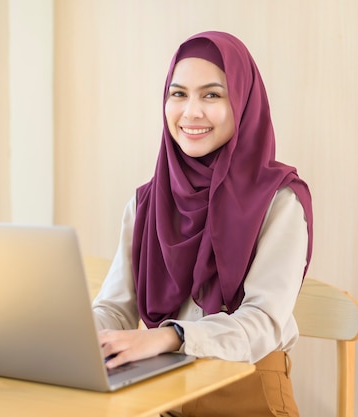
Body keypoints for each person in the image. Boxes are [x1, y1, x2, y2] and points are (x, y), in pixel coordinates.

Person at [92, 31, 313, 417]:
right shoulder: (146, 202)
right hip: (162, 393)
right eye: (178, 94)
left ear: (243, 102)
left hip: (248, 391)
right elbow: (115, 306)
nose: (191, 112)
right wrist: (76, 336)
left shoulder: (278, 201)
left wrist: (171, 336)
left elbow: (263, 322)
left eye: (212, 95)